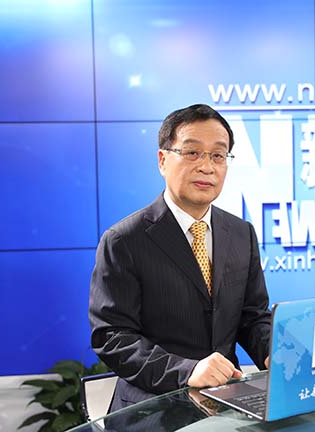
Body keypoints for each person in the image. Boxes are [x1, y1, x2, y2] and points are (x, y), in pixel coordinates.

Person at [89, 103, 271, 413]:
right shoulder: (124, 240)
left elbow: (252, 316)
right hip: (151, 410)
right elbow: (113, 337)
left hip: (226, 403)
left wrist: (272, 352)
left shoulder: (241, 233)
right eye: (192, 152)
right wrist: (187, 371)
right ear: (163, 160)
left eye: (218, 155)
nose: (207, 167)